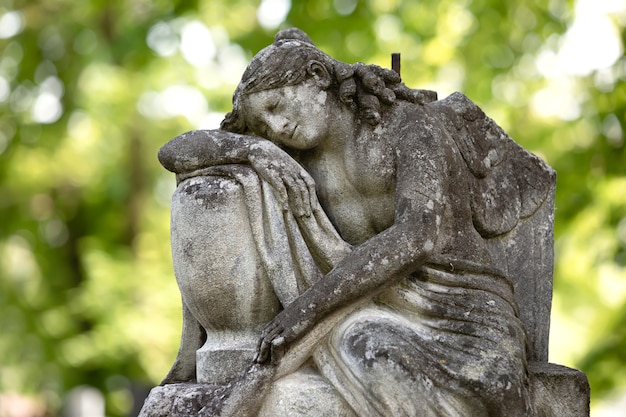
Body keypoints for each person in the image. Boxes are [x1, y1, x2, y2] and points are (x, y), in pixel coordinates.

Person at [158, 28, 552, 416]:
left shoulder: (409, 125)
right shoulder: (292, 156)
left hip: (464, 310)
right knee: (371, 351)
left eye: (276, 108)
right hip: (365, 310)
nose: (276, 129)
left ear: (316, 76)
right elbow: (174, 151)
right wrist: (253, 149)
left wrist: (306, 311)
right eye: (263, 126)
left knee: (488, 385)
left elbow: (418, 236)